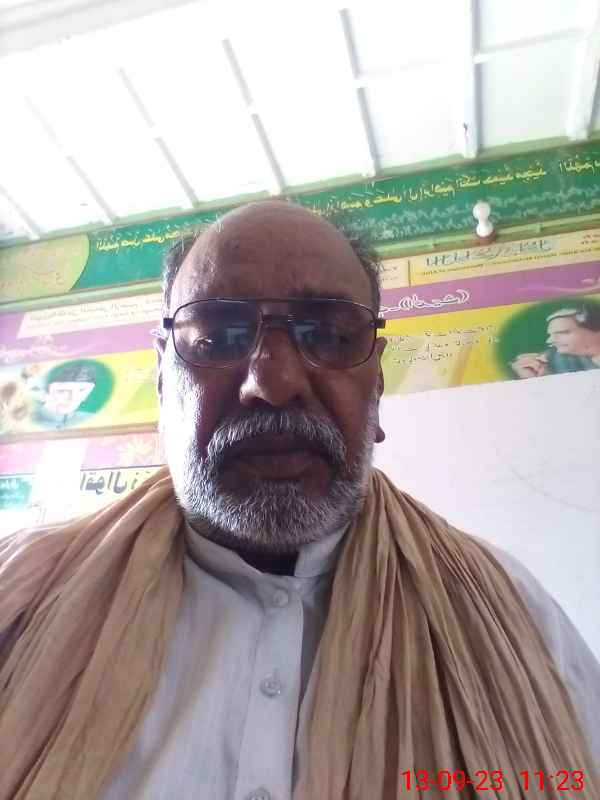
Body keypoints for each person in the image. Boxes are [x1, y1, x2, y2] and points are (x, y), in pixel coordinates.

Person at [0, 200, 599, 800]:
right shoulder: (20, 595)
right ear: (163, 380)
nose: (274, 382)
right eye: (216, 337)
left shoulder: (512, 613)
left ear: (376, 384)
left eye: (331, 335)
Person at [511, 305, 600, 379]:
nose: (549, 341)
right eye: (551, 335)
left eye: (563, 332)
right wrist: (537, 378)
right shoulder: (552, 359)